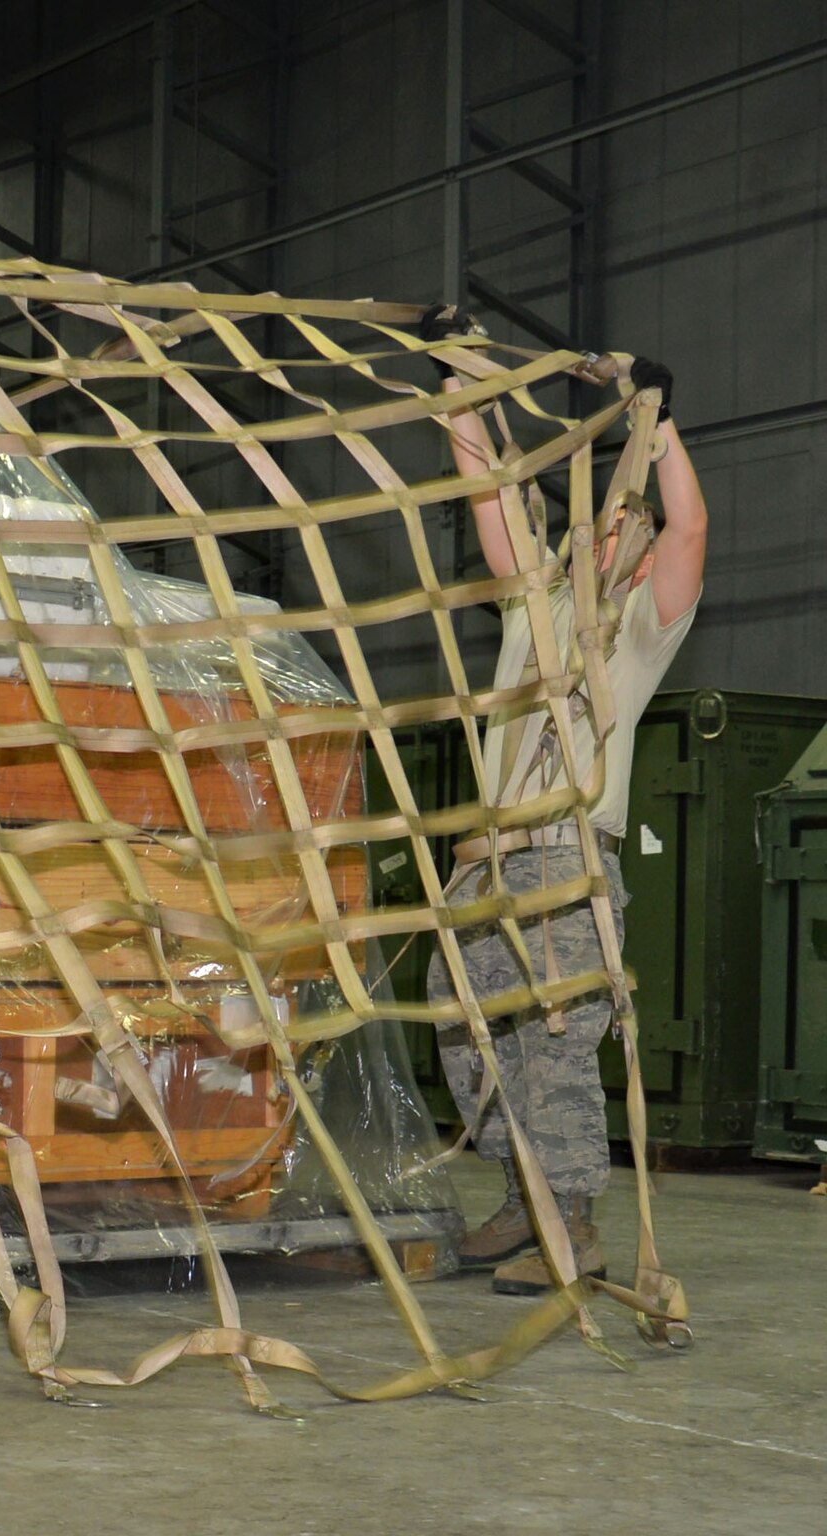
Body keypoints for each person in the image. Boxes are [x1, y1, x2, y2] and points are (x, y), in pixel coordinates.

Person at [419, 305, 707, 1296]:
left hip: (564, 857)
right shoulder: (536, 602)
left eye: (630, 521)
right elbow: (488, 489)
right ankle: (519, 1196)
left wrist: (653, 417)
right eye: (603, 516)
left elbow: (691, 526)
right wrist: (455, 370)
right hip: (485, 861)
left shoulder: (637, 634)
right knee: (460, 1025)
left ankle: (572, 1219)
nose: (613, 525)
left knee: (551, 1041)